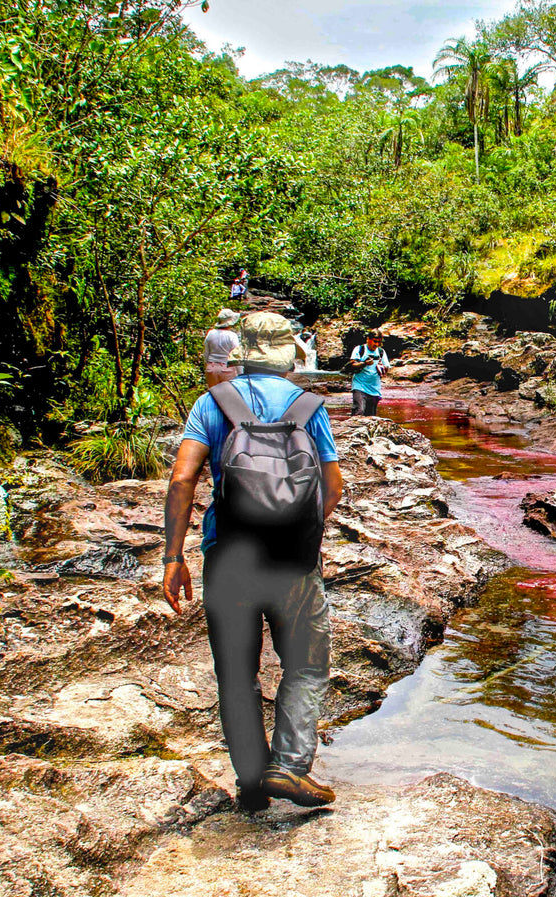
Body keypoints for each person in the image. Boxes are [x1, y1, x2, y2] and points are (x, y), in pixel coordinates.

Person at [163, 311, 345, 811]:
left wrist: (173, 557)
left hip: (228, 558)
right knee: (306, 664)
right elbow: (333, 486)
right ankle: (287, 767)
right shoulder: (310, 406)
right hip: (294, 562)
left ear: (242, 354)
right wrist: (299, 525)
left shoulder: (212, 402)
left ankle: (250, 782)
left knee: (236, 673)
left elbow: (182, 480)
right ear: (290, 357)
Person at [347, 330, 388, 416]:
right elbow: (352, 364)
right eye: (375, 341)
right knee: (359, 411)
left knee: (371, 417)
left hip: (374, 389)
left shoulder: (381, 352)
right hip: (359, 386)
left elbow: (386, 368)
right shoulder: (359, 349)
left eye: (379, 342)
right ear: (368, 339)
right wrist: (364, 363)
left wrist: (382, 367)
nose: (376, 344)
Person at [203, 309, 241, 388]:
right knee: (228, 395)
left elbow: (206, 354)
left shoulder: (210, 333)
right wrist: (240, 373)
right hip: (227, 368)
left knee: (213, 394)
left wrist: (207, 366)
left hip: (211, 367)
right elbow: (236, 355)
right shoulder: (232, 336)